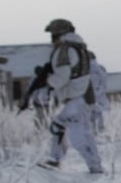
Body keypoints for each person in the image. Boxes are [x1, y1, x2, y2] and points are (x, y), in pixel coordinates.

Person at [41, 19, 103, 174]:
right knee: (58, 126)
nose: (52, 39)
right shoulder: (78, 48)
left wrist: (48, 82)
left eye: (53, 34)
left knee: (79, 137)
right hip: (78, 96)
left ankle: (95, 167)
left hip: (74, 97)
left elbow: (62, 76)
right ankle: (55, 159)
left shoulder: (64, 50)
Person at [19, 63, 53, 128]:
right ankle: (40, 131)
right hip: (38, 104)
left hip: (48, 104)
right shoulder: (34, 80)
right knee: (40, 121)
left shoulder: (48, 79)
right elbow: (29, 92)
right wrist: (26, 103)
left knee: (48, 120)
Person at [88, 51, 110, 133]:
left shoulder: (90, 69)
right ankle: (99, 129)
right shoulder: (100, 68)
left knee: (93, 113)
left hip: (92, 94)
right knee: (97, 112)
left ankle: (97, 130)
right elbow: (104, 82)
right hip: (97, 94)